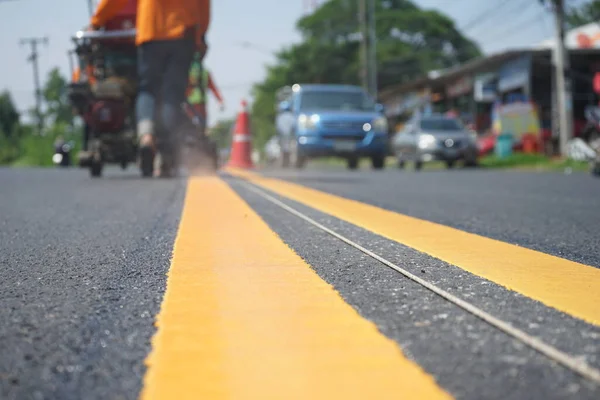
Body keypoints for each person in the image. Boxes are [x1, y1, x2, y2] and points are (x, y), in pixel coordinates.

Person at [89, 0, 211, 177]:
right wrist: (201, 34)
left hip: (151, 31)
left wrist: (97, 22)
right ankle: (165, 151)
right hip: (183, 33)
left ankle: (146, 137)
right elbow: (203, 5)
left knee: (147, 89)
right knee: (172, 95)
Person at [186, 52, 224, 136]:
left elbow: (213, 87)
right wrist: (220, 101)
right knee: (199, 126)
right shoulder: (204, 72)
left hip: (193, 104)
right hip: (196, 104)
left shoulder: (187, 72)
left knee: (194, 126)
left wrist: (220, 101)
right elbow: (213, 88)